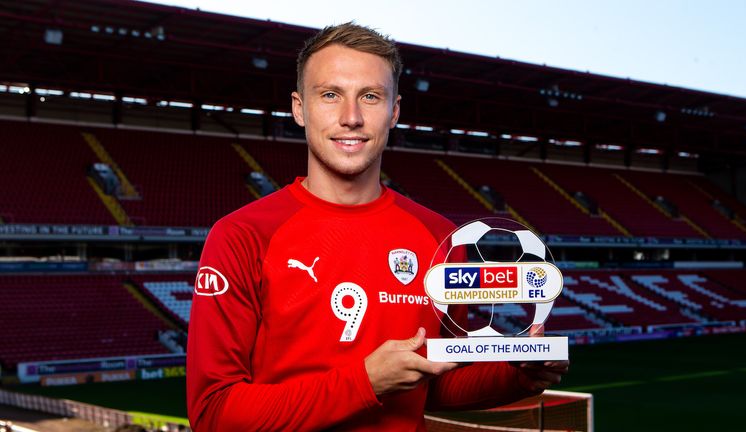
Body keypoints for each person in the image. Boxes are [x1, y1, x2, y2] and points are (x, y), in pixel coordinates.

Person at [186, 22, 568, 431]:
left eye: (370, 96)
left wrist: (519, 374)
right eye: (330, 94)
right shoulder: (243, 234)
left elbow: (433, 381)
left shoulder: (439, 237)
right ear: (299, 108)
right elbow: (213, 412)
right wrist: (365, 382)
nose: (350, 118)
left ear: (394, 111)